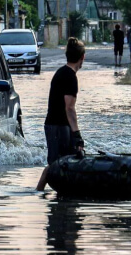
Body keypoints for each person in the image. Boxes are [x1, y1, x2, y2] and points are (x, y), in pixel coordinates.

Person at [36, 37, 86, 191]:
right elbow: (69, 108)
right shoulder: (70, 76)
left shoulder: (62, 72)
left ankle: (58, 195)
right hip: (58, 126)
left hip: (56, 124)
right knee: (56, 164)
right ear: (82, 57)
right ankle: (38, 192)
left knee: (65, 162)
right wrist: (77, 134)